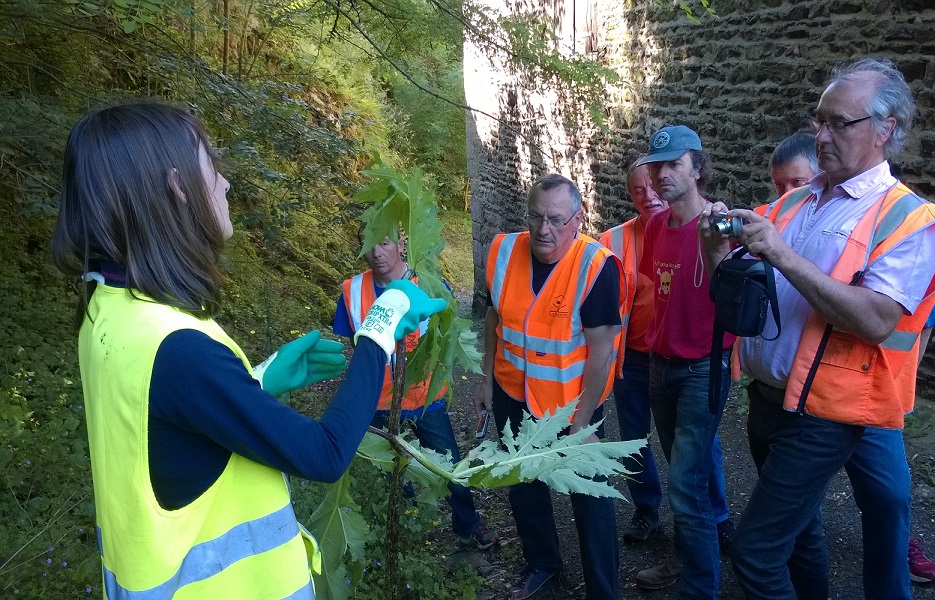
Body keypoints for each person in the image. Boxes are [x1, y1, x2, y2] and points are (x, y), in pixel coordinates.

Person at [50, 103, 445, 598]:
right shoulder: (178, 349)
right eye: (211, 166)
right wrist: (379, 328)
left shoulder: (108, 314)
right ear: (177, 188)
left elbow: (165, 427)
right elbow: (324, 456)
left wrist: (255, 381)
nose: (224, 184)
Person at [703, 58, 935, 600]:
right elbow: (733, 278)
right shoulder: (799, 199)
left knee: (755, 553)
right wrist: (715, 242)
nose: (820, 135)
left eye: (839, 123)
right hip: (769, 397)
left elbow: (876, 320)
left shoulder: (912, 220)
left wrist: (781, 252)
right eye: (819, 121)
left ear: (885, 129)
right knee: (799, 537)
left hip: (825, 414)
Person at [768, 131, 935, 586]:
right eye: (780, 186)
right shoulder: (796, 216)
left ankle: (898, 563)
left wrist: (896, 390)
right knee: (800, 507)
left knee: (887, 496)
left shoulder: (882, 220)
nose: (789, 194)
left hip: (866, 397)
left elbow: (917, 323)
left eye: (797, 182)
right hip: (814, 396)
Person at [474, 173, 624, 600]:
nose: (544, 229)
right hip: (510, 395)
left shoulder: (595, 265)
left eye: (557, 220)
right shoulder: (503, 251)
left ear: (577, 219)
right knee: (523, 486)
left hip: (569, 406)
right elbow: (493, 321)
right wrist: (486, 381)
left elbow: (601, 352)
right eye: (536, 216)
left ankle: (603, 588)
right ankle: (542, 563)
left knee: (590, 500)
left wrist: (582, 421)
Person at [333, 232, 499, 550]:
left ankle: (468, 525)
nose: (377, 252)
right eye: (369, 243)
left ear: (401, 243)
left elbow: (450, 337)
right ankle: (405, 531)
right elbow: (348, 342)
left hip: (426, 399)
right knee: (391, 471)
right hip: (376, 401)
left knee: (449, 466)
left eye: (384, 242)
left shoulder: (432, 286)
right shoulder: (352, 291)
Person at [630, 125, 734, 598]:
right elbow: (659, 290)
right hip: (661, 365)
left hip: (702, 368)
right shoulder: (655, 226)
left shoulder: (718, 226)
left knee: (685, 487)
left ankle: (700, 587)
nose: (661, 174)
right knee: (685, 473)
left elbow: (734, 296)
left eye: (673, 164)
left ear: (697, 169)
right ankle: (694, 557)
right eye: (656, 165)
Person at [598, 158, 667, 543]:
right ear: (630, 195)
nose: (649, 196)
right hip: (635, 359)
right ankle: (647, 509)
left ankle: (714, 517)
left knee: (697, 444)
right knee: (634, 439)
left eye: (653, 187)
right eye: (639, 190)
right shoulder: (613, 241)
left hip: (680, 362)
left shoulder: (694, 232)